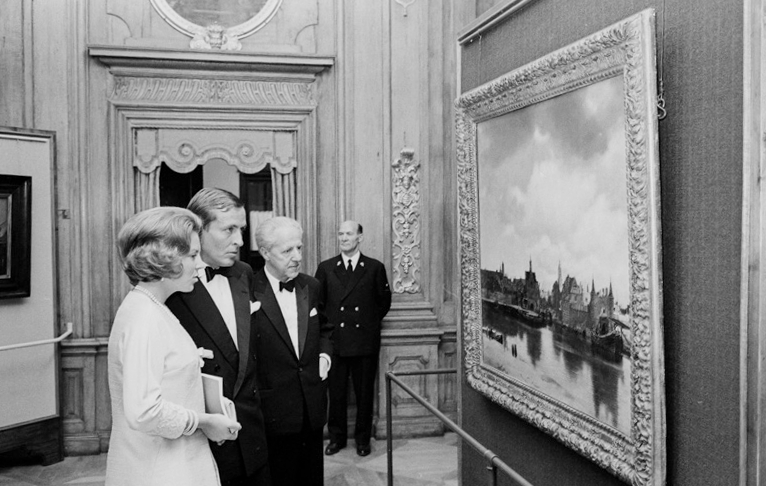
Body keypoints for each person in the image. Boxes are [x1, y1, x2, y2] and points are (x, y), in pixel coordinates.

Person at [106, 206, 241, 486]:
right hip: (159, 470)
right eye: (193, 255)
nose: (200, 264)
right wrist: (205, 422)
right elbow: (144, 411)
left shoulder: (152, 307)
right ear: (164, 258)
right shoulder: (144, 316)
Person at [166, 188, 270, 486]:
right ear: (198, 230)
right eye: (229, 230)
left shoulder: (244, 273)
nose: (239, 241)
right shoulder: (172, 284)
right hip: (202, 440)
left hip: (251, 432)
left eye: (241, 230)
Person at [251, 216, 333, 486]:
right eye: (287, 251)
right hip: (272, 410)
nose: (297, 256)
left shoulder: (311, 285)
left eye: (299, 247)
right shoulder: (247, 291)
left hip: (312, 406)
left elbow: (326, 329)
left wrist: (324, 355)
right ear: (265, 252)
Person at [315, 220, 392, 457]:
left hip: (364, 341)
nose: (344, 238)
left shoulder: (374, 267)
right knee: (336, 393)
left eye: (349, 234)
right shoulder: (326, 268)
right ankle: (336, 438)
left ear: (360, 237)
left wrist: (367, 325)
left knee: (364, 393)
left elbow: (383, 303)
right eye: (340, 234)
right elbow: (319, 303)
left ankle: (362, 440)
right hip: (335, 341)